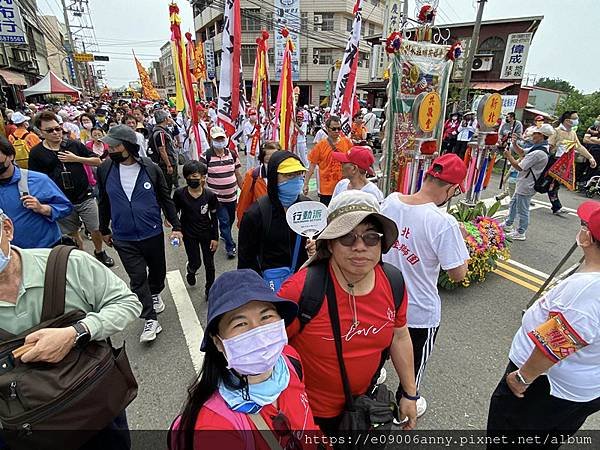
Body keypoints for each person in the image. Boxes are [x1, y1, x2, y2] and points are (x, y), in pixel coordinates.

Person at [277, 191, 418, 433]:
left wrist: (409, 393)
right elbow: (270, 351)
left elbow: (399, 335)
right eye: (347, 237)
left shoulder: (393, 282)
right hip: (309, 415)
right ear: (330, 243)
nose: (360, 247)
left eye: (371, 237)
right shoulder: (301, 290)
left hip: (365, 407)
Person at [0, 208, 141, 448]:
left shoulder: (68, 264)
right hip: (25, 426)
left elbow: (127, 303)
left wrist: (78, 332)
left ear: (7, 229)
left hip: (94, 409)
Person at [487, 200, 600, 444]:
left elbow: (558, 340)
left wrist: (523, 378)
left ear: (587, 237)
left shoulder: (586, 291)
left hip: (545, 387)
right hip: (584, 387)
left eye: (583, 225)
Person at [171, 269, 320, 450]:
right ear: (218, 342)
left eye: (266, 317)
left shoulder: (289, 359)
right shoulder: (214, 429)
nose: (257, 332)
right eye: (240, 324)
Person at [381, 153, 469, 418]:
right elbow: (457, 273)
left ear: (427, 176)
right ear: (452, 189)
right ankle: (404, 407)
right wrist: (461, 240)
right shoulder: (443, 223)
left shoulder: (390, 201)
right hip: (419, 311)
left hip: (383, 300)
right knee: (413, 365)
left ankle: (371, 388)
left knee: (378, 350)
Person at [97, 125, 183, 343]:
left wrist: (176, 225)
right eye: (110, 146)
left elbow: (165, 198)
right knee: (137, 278)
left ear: (128, 146)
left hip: (151, 233)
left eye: (115, 146)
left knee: (157, 273)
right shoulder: (105, 169)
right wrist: (104, 228)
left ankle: (155, 293)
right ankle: (150, 319)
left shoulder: (151, 169)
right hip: (124, 237)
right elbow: (104, 202)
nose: (111, 150)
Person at [28, 111, 114, 267]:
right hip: (60, 201)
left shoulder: (73, 144)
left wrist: (76, 159)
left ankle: (99, 252)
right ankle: (82, 260)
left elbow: (97, 161)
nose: (56, 133)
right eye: (50, 130)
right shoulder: (36, 153)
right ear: (40, 132)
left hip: (85, 195)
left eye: (58, 129)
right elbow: (35, 179)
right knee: (72, 233)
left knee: (96, 228)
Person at [238, 152, 309, 283]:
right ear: (273, 177)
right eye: (288, 175)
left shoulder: (309, 206)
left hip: (304, 282)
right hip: (268, 286)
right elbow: (245, 261)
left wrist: (317, 247)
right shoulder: (255, 214)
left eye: (299, 174)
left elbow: (325, 247)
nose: (296, 179)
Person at [0, 135, 72, 248]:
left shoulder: (37, 180)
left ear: (10, 156)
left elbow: (65, 207)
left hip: (45, 249)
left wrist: (42, 208)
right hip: (10, 255)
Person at [173, 160, 218, 298]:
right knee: (195, 261)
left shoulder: (210, 195)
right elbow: (174, 213)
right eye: (194, 176)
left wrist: (215, 237)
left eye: (201, 176)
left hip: (206, 233)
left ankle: (209, 289)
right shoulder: (179, 194)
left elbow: (214, 218)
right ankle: (191, 270)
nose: (198, 179)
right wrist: (176, 229)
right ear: (187, 177)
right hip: (189, 233)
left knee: (209, 264)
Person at [501, 125, 553, 241]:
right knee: (514, 203)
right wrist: (514, 144)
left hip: (527, 184)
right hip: (524, 182)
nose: (533, 135)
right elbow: (522, 153)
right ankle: (508, 224)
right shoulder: (540, 148)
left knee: (523, 209)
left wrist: (509, 156)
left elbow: (519, 166)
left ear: (541, 135)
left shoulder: (538, 153)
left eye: (535, 133)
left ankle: (521, 232)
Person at [200, 126, 243, 259]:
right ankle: (231, 246)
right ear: (212, 140)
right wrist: (200, 195)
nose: (220, 141)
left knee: (229, 220)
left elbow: (238, 174)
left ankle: (225, 235)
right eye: (216, 139)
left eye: (221, 138)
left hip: (232, 197)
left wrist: (244, 191)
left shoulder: (232, 154)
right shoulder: (205, 156)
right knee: (224, 221)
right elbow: (201, 177)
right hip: (216, 199)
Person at [547, 111, 597, 215]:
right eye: (575, 118)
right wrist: (555, 147)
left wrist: (590, 157)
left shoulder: (572, 133)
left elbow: (579, 147)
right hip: (554, 162)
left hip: (564, 164)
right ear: (567, 121)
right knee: (546, 183)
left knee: (554, 185)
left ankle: (556, 207)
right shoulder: (556, 132)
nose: (576, 120)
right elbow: (548, 147)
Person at [303, 115, 352, 206]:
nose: (337, 131)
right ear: (327, 128)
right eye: (334, 129)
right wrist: (306, 183)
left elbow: (353, 162)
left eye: (339, 128)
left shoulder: (347, 142)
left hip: (344, 187)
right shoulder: (320, 146)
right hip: (327, 190)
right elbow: (312, 166)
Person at [236, 141, 280, 227]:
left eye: (276, 158)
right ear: (262, 159)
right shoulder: (253, 176)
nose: (273, 162)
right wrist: (242, 223)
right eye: (269, 159)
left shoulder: (286, 175)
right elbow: (244, 201)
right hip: (260, 221)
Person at [150, 109, 178, 191]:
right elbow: (162, 150)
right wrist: (168, 165)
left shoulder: (160, 130)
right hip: (164, 163)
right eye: (168, 117)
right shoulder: (160, 133)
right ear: (165, 119)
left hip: (164, 161)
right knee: (167, 185)